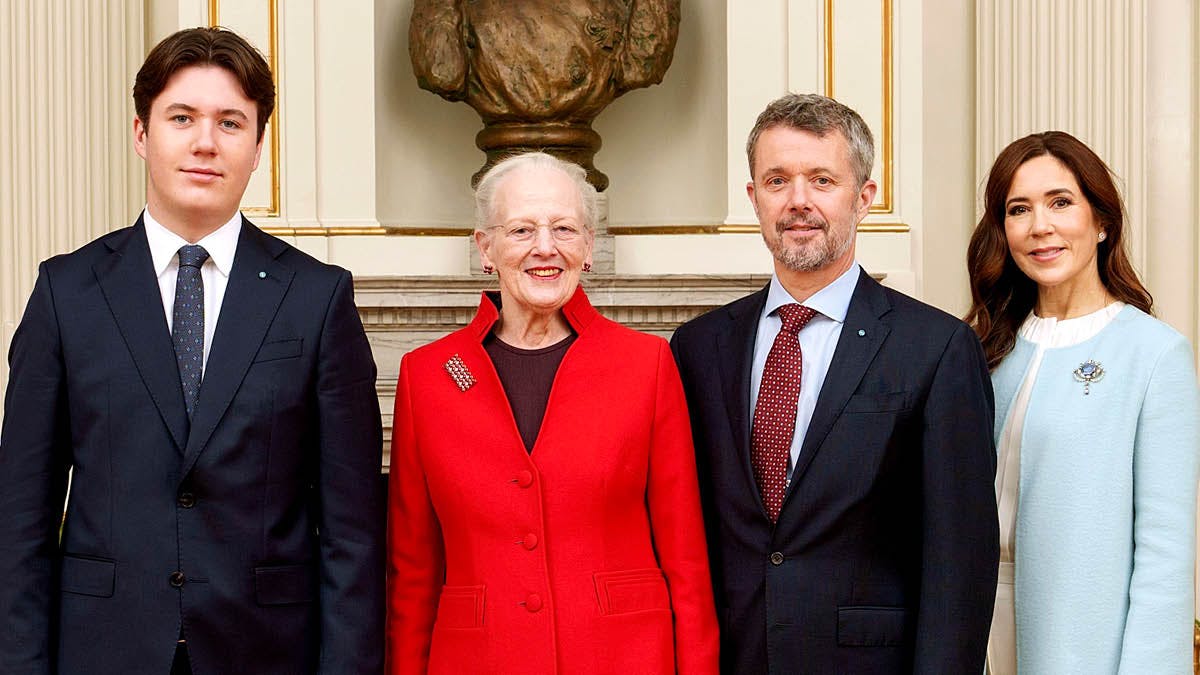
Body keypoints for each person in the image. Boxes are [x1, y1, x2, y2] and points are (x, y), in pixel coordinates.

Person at [0, 27, 385, 674]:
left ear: (259, 145)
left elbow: (351, 531)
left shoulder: (317, 300)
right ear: (142, 134)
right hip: (103, 651)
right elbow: (20, 519)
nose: (206, 141)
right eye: (182, 118)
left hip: (266, 650)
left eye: (231, 122)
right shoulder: (67, 293)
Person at [671, 93, 999, 673]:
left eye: (822, 180)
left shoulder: (938, 348)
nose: (799, 202)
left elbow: (960, 565)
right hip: (733, 655)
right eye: (777, 181)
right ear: (753, 198)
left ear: (864, 197)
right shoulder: (698, 349)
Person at [386, 152, 719, 674]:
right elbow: (412, 572)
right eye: (521, 229)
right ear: (485, 249)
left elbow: (687, 562)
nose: (546, 248)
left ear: (588, 247)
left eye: (564, 228)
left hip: (623, 656)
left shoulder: (646, 365)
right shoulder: (428, 375)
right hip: (478, 659)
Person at [967, 131, 1200, 674]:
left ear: (1101, 222)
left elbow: (1165, 551)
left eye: (1060, 202)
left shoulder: (1155, 354)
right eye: (1018, 209)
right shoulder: (981, 350)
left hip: (1083, 637)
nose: (1039, 226)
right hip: (977, 626)